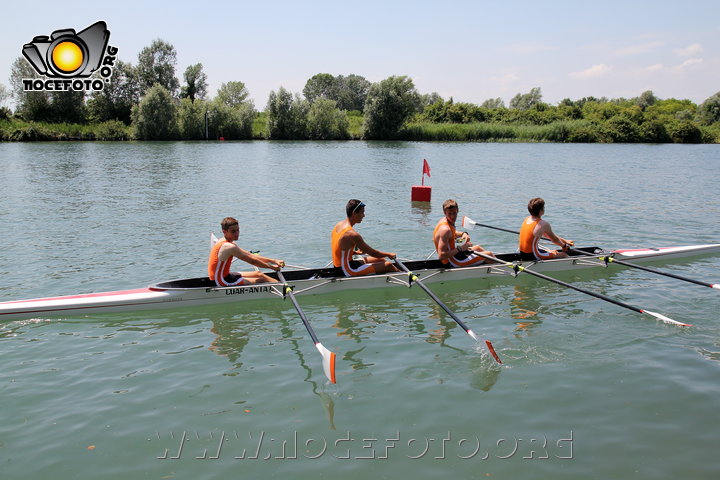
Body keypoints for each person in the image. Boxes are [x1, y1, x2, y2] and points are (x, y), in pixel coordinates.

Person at [208, 217, 285, 286]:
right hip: (220, 281)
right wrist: (272, 267)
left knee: (259, 274)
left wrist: (274, 261)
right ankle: (283, 287)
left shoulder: (226, 242)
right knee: (262, 279)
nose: (237, 233)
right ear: (224, 232)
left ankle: (279, 284)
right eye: (233, 231)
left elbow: (250, 255)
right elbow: (252, 261)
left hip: (224, 275)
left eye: (238, 230)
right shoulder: (229, 247)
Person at [331, 199, 397, 276]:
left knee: (381, 259)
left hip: (342, 266)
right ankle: (405, 277)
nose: (364, 215)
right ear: (354, 214)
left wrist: (354, 252)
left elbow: (340, 248)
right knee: (388, 265)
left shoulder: (338, 225)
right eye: (362, 212)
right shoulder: (352, 234)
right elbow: (373, 253)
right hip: (347, 271)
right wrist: (389, 254)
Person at [433, 199, 494, 267]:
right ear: (445, 212)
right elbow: (441, 256)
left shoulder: (444, 221)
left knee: (478, 248)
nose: (452, 216)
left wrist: (463, 234)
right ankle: (499, 268)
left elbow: (452, 234)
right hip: (453, 262)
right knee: (489, 254)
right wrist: (461, 248)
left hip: (455, 255)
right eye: (449, 213)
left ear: (457, 211)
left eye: (454, 213)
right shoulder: (445, 230)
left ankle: (486, 265)